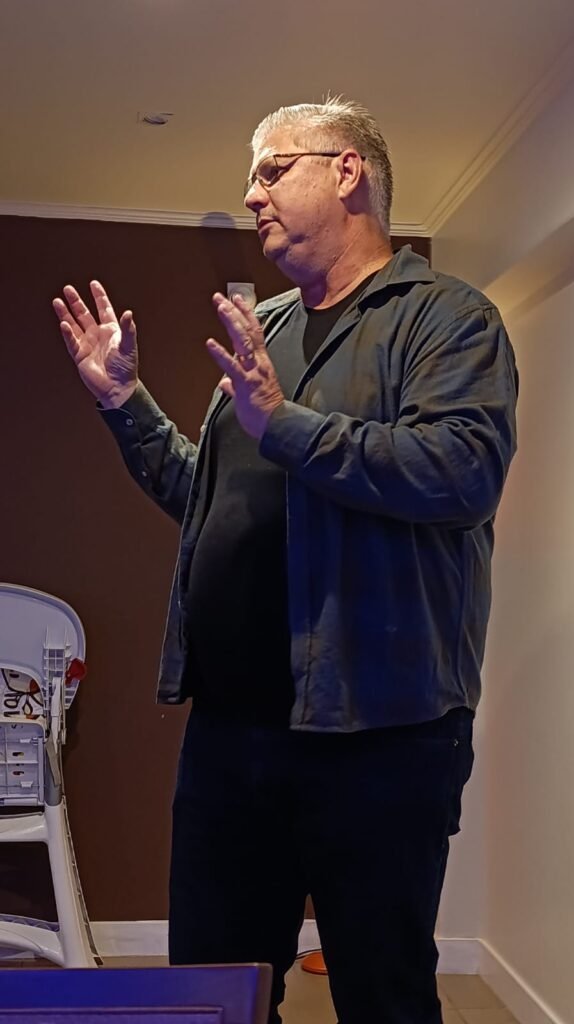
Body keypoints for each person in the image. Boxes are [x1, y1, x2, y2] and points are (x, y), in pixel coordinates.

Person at [53, 98, 518, 1024]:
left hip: (383, 738)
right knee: (215, 992)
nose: (251, 195)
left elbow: (463, 472)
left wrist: (286, 425)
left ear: (347, 171)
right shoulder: (264, 324)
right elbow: (209, 501)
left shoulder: (447, 317)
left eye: (272, 170)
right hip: (231, 737)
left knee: (384, 995)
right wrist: (125, 403)